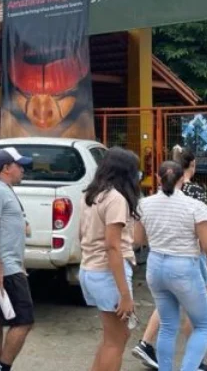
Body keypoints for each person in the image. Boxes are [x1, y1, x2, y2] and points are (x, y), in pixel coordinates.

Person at [134, 148, 207, 371]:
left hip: (155, 265)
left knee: (168, 325)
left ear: (158, 178)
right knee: (204, 325)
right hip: (183, 268)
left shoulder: (145, 204)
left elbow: (138, 239)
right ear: (183, 178)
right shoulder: (195, 206)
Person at [79, 147, 140, 371]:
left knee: (111, 339)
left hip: (90, 269)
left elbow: (81, 234)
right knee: (117, 340)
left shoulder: (91, 195)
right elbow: (113, 246)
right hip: (108, 273)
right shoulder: (116, 199)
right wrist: (125, 294)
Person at [0, 148, 35, 371]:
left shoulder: (5, 189)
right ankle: (3, 367)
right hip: (4, 268)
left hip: (9, 265)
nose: (23, 169)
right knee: (24, 321)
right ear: (6, 168)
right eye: (19, 165)